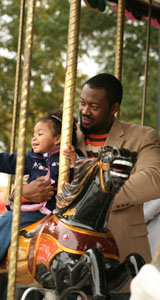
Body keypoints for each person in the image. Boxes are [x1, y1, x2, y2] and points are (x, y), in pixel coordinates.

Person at [21, 74, 160, 300]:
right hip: (65, 256)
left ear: (114, 107)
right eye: (83, 103)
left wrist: (97, 196)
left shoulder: (142, 136)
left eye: (94, 106)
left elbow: (154, 178)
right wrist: (21, 194)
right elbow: (30, 169)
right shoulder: (61, 137)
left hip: (120, 257)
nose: (85, 111)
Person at [0, 111, 80, 279]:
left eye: (40, 134)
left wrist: (75, 162)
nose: (34, 138)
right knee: (8, 219)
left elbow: (83, 176)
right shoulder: (33, 158)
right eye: (34, 134)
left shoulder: (71, 155)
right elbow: (7, 161)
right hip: (35, 212)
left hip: (61, 215)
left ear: (57, 138)